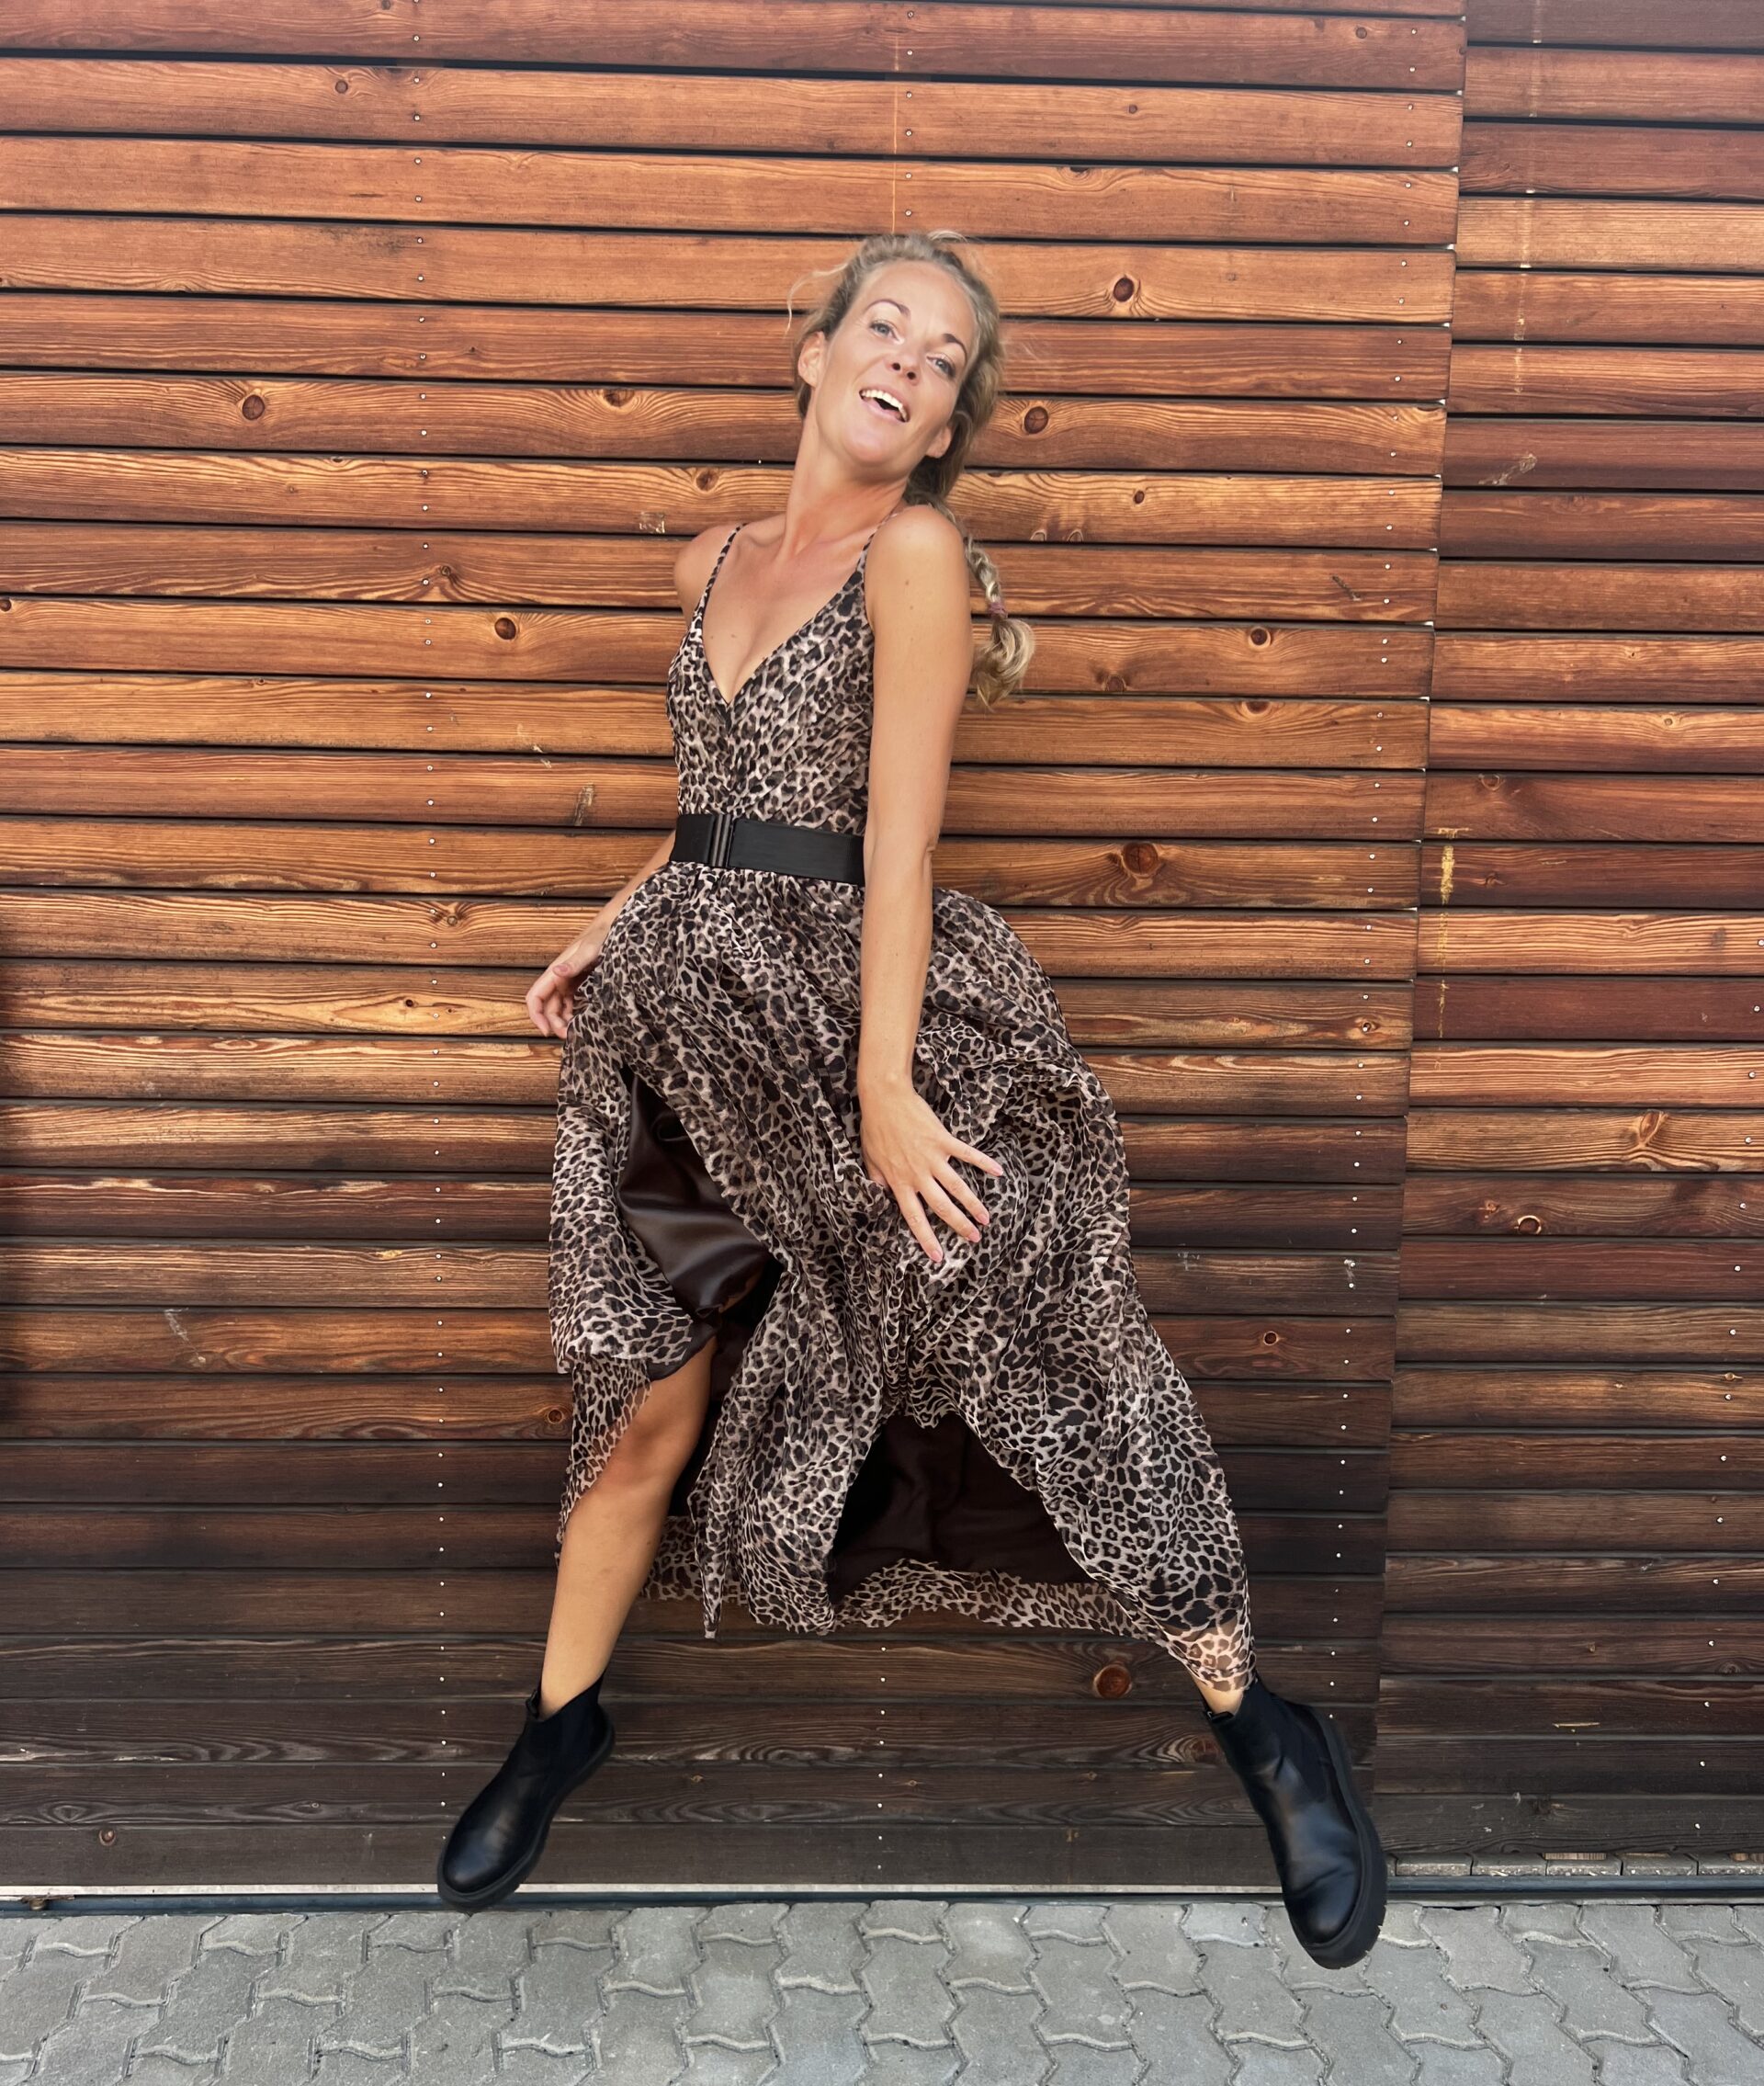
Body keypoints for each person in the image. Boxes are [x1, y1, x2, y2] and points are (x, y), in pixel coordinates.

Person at [436, 229, 1386, 1968]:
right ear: (813, 352)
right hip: (679, 1033)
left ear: (947, 425)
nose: (908, 363)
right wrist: (613, 921)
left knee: (1045, 1353)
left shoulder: (918, 553)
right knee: (645, 1402)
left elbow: (895, 836)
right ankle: (556, 1727)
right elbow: (718, 797)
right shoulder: (710, 559)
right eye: (885, 327)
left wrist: (885, 1084)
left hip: (852, 1022)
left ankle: (1266, 1729)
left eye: (944, 360)